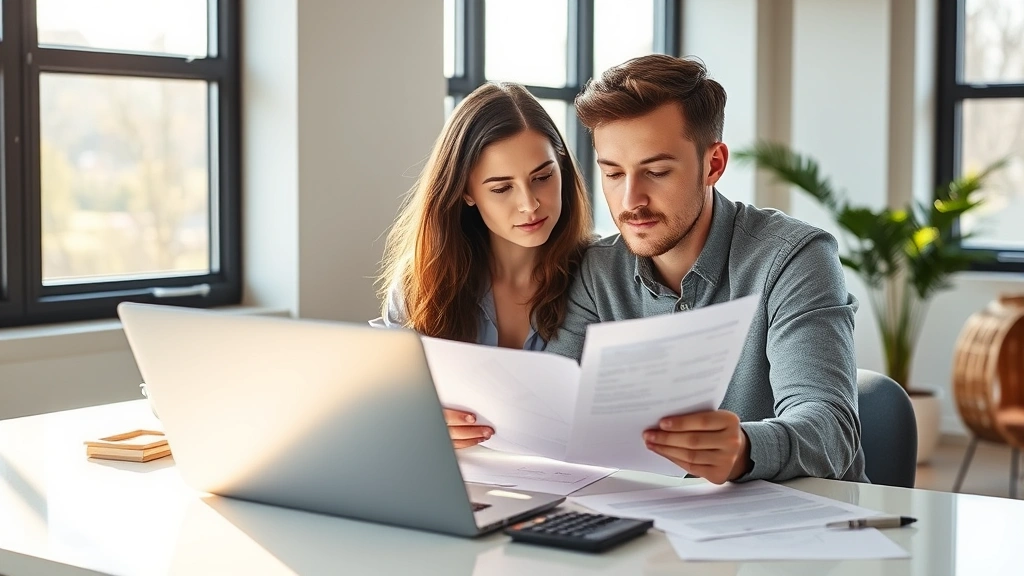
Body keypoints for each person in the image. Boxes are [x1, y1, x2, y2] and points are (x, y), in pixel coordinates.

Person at [546, 54, 867, 485]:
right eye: (613, 174)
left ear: (713, 164)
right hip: (653, 528)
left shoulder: (795, 258)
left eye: (656, 171)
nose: (629, 202)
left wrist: (746, 449)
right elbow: (552, 410)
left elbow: (830, 427)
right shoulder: (596, 271)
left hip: (801, 529)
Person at [376, 82, 593, 449]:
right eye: (501, 188)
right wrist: (417, 419)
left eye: (542, 177)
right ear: (466, 192)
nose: (530, 204)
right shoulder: (422, 281)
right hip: (461, 486)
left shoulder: (601, 276)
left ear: (563, 169)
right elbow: (381, 405)